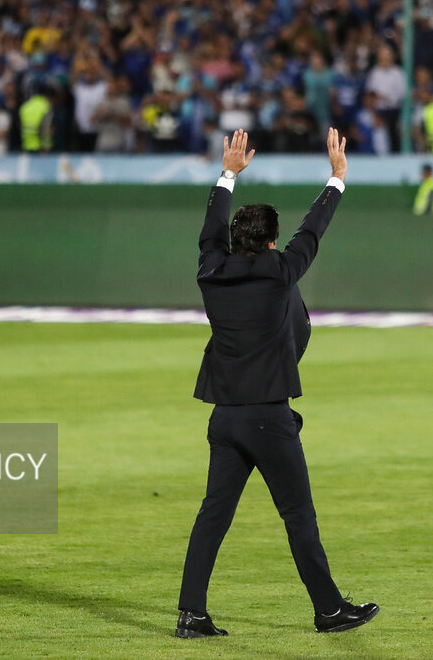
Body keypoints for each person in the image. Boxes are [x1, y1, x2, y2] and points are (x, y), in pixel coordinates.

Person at [176, 128, 378, 639]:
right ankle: (329, 610)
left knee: (212, 517)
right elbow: (313, 231)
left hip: (224, 419)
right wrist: (336, 178)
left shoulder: (210, 271)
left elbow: (210, 229)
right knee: (298, 516)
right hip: (268, 418)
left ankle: (191, 614)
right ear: (270, 241)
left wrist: (227, 174)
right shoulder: (281, 272)